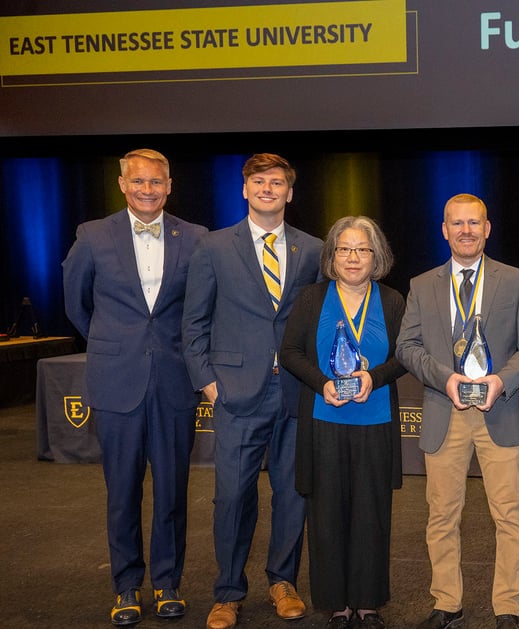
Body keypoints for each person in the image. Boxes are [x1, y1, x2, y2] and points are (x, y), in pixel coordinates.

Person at [62, 148, 207, 626]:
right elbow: (76, 305)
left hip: (172, 382)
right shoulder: (92, 235)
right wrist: (115, 344)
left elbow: (199, 310)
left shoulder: (197, 238)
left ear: (170, 185)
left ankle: (167, 583)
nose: (148, 190)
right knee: (121, 491)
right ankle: (126, 585)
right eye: (139, 181)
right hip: (116, 380)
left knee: (171, 490)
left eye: (157, 182)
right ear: (122, 184)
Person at [183, 153, 323, 629]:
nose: (268, 188)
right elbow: (194, 321)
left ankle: (283, 581)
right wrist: (208, 384)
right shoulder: (214, 246)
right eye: (258, 181)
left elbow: (320, 322)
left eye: (277, 182)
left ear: (290, 192)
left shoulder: (313, 249)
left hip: (296, 393)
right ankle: (227, 591)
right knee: (232, 496)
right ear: (244, 190)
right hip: (235, 394)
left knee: (292, 493)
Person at [396, 193, 519, 629]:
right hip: (445, 411)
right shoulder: (422, 285)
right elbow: (406, 347)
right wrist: (446, 379)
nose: (465, 231)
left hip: (500, 411)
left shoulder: (515, 280)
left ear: (487, 228)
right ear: (444, 230)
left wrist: (500, 381)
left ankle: (508, 608)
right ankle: (447, 602)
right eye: (457, 223)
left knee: (509, 514)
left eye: (473, 223)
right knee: (441, 514)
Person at [279, 216, 407, 629]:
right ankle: (336, 604)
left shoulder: (391, 301)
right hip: (325, 420)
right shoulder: (311, 299)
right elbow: (291, 352)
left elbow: (405, 356)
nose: (353, 257)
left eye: (362, 249)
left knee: (372, 513)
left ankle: (367, 603)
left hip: (375, 419)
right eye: (344, 249)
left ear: (376, 256)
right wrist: (321, 384)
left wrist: (375, 377)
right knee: (328, 514)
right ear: (332, 256)